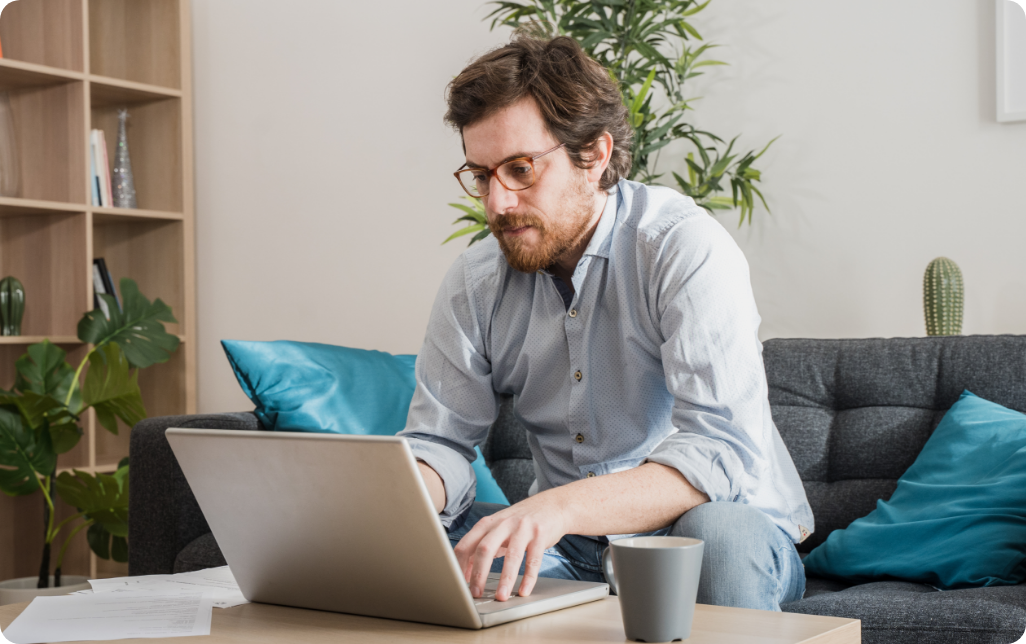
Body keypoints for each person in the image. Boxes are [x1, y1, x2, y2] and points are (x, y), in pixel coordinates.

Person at [397, 34, 814, 612]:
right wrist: (402, 495)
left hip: (705, 531)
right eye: (481, 175)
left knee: (723, 534)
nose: (496, 203)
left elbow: (717, 451)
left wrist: (556, 507)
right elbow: (439, 440)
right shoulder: (476, 282)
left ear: (592, 155)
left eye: (520, 169)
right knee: (422, 548)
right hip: (570, 547)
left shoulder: (680, 247)